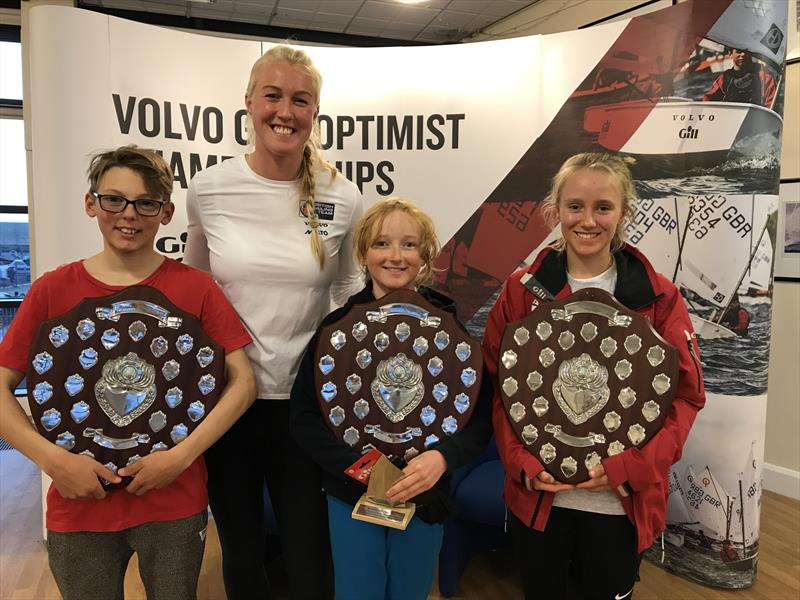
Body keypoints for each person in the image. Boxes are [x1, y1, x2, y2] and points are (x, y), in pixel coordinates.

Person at [0, 145, 256, 600]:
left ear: (166, 212)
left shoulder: (195, 288)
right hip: (79, 501)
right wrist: (52, 460)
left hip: (174, 498)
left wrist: (181, 457)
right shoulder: (51, 290)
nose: (129, 214)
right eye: (114, 199)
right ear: (91, 203)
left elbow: (243, 383)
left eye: (146, 203)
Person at [183, 44, 363, 600]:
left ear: (315, 112)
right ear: (249, 104)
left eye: (300, 100)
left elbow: (348, 291)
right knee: (241, 547)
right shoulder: (209, 190)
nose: (286, 111)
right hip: (229, 402)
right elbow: (196, 292)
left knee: (310, 549)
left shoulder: (343, 196)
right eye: (273, 96)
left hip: (307, 405)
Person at [483, 153, 705, 600]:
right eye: (575, 206)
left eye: (603, 207)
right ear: (556, 210)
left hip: (619, 503)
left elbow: (686, 398)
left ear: (624, 211)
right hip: (540, 497)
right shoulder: (522, 291)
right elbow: (500, 390)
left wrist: (631, 468)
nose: (588, 220)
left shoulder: (658, 296)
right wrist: (522, 465)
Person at [290, 197, 493, 600]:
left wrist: (441, 458)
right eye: (382, 243)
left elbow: (480, 419)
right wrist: (366, 470)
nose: (395, 256)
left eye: (409, 244)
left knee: (410, 591)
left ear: (426, 255)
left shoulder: (453, 332)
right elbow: (305, 419)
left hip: (425, 488)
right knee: (357, 590)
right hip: (352, 490)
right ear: (363, 253)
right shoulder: (336, 329)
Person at [702, 48, 776, 108]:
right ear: (730, 54)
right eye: (739, 51)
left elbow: (772, 104)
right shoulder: (724, 78)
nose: (743, 54)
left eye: (746, 51)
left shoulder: (764, 76)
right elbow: (708, 100)